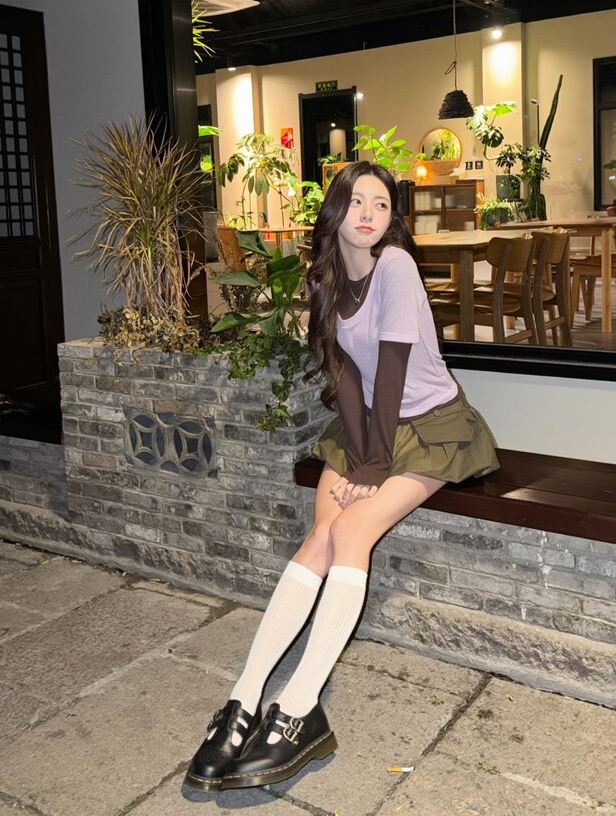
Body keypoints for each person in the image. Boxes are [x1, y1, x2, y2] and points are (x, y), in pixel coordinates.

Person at [185, 160, 499, 792]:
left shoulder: (396, 267)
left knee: (352, 530)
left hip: (432, 427)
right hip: (369, 431)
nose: (369, 214)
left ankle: (300, 708)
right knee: (320, 539)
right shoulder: (327, 278)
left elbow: (393, 367)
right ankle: (244, 698)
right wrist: (358, 454)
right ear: (336, 210)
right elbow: (345, 375)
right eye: (358, 202)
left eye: (381, 205)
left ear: (391, 219)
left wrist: (374, 467)